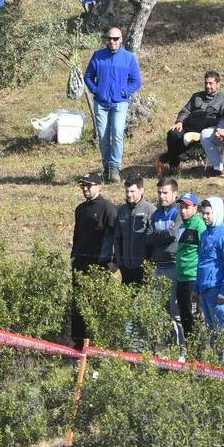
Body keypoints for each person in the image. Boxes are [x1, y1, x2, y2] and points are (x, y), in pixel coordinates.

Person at [84, 26, 143, 183]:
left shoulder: (128, 58)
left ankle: (115, 166)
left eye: (115, 39)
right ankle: (107, 167)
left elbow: (136, 81)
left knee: (117, 133)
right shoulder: (98, 56)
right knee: (103, 136)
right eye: (109, 38)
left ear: (121, 39)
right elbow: (88, 76)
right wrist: (95, 90)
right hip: (101, 102)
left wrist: (125, 91)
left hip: (119, 103)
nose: (112, 41)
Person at [70, 174, 117, 345]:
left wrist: (114, 262)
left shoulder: (108, 209)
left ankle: (96, 342)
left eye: (89, 186)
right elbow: (77, 235)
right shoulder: (80, 209)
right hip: (80, 263)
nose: (85, 189)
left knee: (95, 304)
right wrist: (73, 256)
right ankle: (78, 342)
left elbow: (117, 236)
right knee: (78, 303)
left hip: (99, 265)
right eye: (83, 186)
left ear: (99, 186)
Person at [195, 196, 224, 355]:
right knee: (211, 328)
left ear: (217, 212)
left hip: (217, 289)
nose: (204, 217)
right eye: (203, 213)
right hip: (205, 288)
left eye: (208, 213)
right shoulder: (206, 235)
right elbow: (202, 262)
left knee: (221, 325)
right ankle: (217, 362)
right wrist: (196, 287)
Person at [162, 71, 224, 174]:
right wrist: (179, 122)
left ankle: (165, 158)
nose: (207, 86)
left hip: (206, 128)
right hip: (189, 125)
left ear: (218, 84)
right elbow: (186, 111)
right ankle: (174, 166)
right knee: (173, 133)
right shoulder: (197, 96)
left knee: (199, 129)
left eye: (211, 83)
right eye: (206, 83)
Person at [148, 177, 183, 327]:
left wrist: (159, 236)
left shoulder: (179, 212)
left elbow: (173, 234)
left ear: (175, 194)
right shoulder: (156, 213)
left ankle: (181, 349)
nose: (161, 196)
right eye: (159, 193)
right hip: (159, 266)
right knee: (158, 312)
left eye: (165, 193)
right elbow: (148, 238)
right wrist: (163, 235)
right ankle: (163, 348)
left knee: (176, 311)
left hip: (174, 266)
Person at [173, 193, 205, 348]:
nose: (183, 210)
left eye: (187, 207)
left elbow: (203, 253)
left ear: (195, 208)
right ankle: (190, 353)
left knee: (193, 318)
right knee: (184, 317)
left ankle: (198, 354)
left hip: (193, 278)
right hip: (181, 277)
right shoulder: (182, 226)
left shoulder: (199, 226)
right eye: (181, 207)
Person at [111, 176, 155, 286]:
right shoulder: (121, 210)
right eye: (126, 191)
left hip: (143, 266)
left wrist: (150, 264)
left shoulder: (151, 211)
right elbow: (117, 238)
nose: (129, 194)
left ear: (141, 191)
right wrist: (118, 261)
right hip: (125, 266)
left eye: (132, 191)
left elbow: (153, 241)